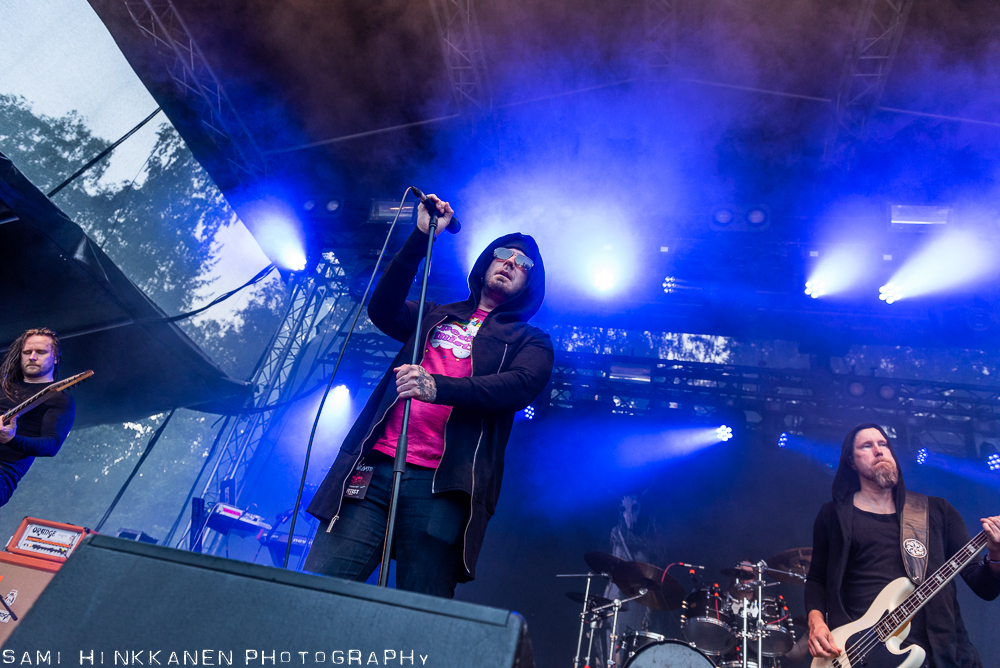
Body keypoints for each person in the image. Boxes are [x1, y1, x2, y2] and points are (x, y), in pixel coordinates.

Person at [305, 194, 553, 598]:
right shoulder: (436, 313)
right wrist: (420, 238)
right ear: (486, 263)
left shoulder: (530, 340)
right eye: (503, 254)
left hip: (442, 488)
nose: (510, 262)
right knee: (317, 593)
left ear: (530, 283)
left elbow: (520, 386)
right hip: (375, 468)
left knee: (418, 613)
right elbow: (382, 309)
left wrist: (438, 388)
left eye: (523, 263)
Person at [805, 423, 1000, 668]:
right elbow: (817, 579)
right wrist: (816, 623)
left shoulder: (937, 511)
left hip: (942, 653)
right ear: (851, 462)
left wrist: (996, 555)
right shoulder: (834, 515)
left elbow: (984, 587)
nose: (879, 450)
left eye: (883, 444)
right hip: (861, 654)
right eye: (867, 446)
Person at [0, 328, 76, 506]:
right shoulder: (3, 388)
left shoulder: (58, 399)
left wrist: (12, 439)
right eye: (27, 352)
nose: (32, 357)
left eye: (41, 352)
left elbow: (52, 445)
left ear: (55, 357)